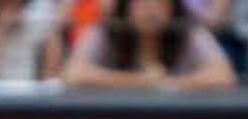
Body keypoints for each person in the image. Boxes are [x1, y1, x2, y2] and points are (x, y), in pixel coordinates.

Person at [63, 0, 238, 89]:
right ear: (126, 6)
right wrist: (138, 81)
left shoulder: (188, 30)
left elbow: (223, 76)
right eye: (142, 1)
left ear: (172, 7)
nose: (151, 9)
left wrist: (171, 83)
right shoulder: (107, 29)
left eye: (160, 2)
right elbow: (73, 74)